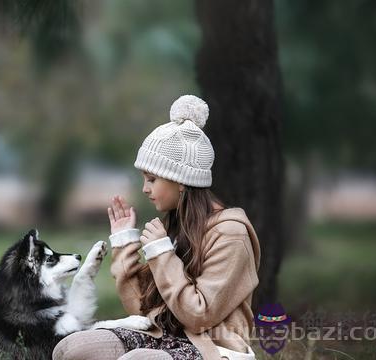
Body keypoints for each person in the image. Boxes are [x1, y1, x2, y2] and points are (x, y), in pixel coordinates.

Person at [53, 95, 261, 359]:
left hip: (214, 350)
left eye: (152, 179)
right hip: (161, 339)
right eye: (143, 178)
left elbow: (199, 316)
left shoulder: (231, 235)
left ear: (182, 182)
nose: (145, 189)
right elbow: (142, 314)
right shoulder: (173, 227)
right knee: (73, 348)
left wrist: (162, 254)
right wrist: (124, 244)